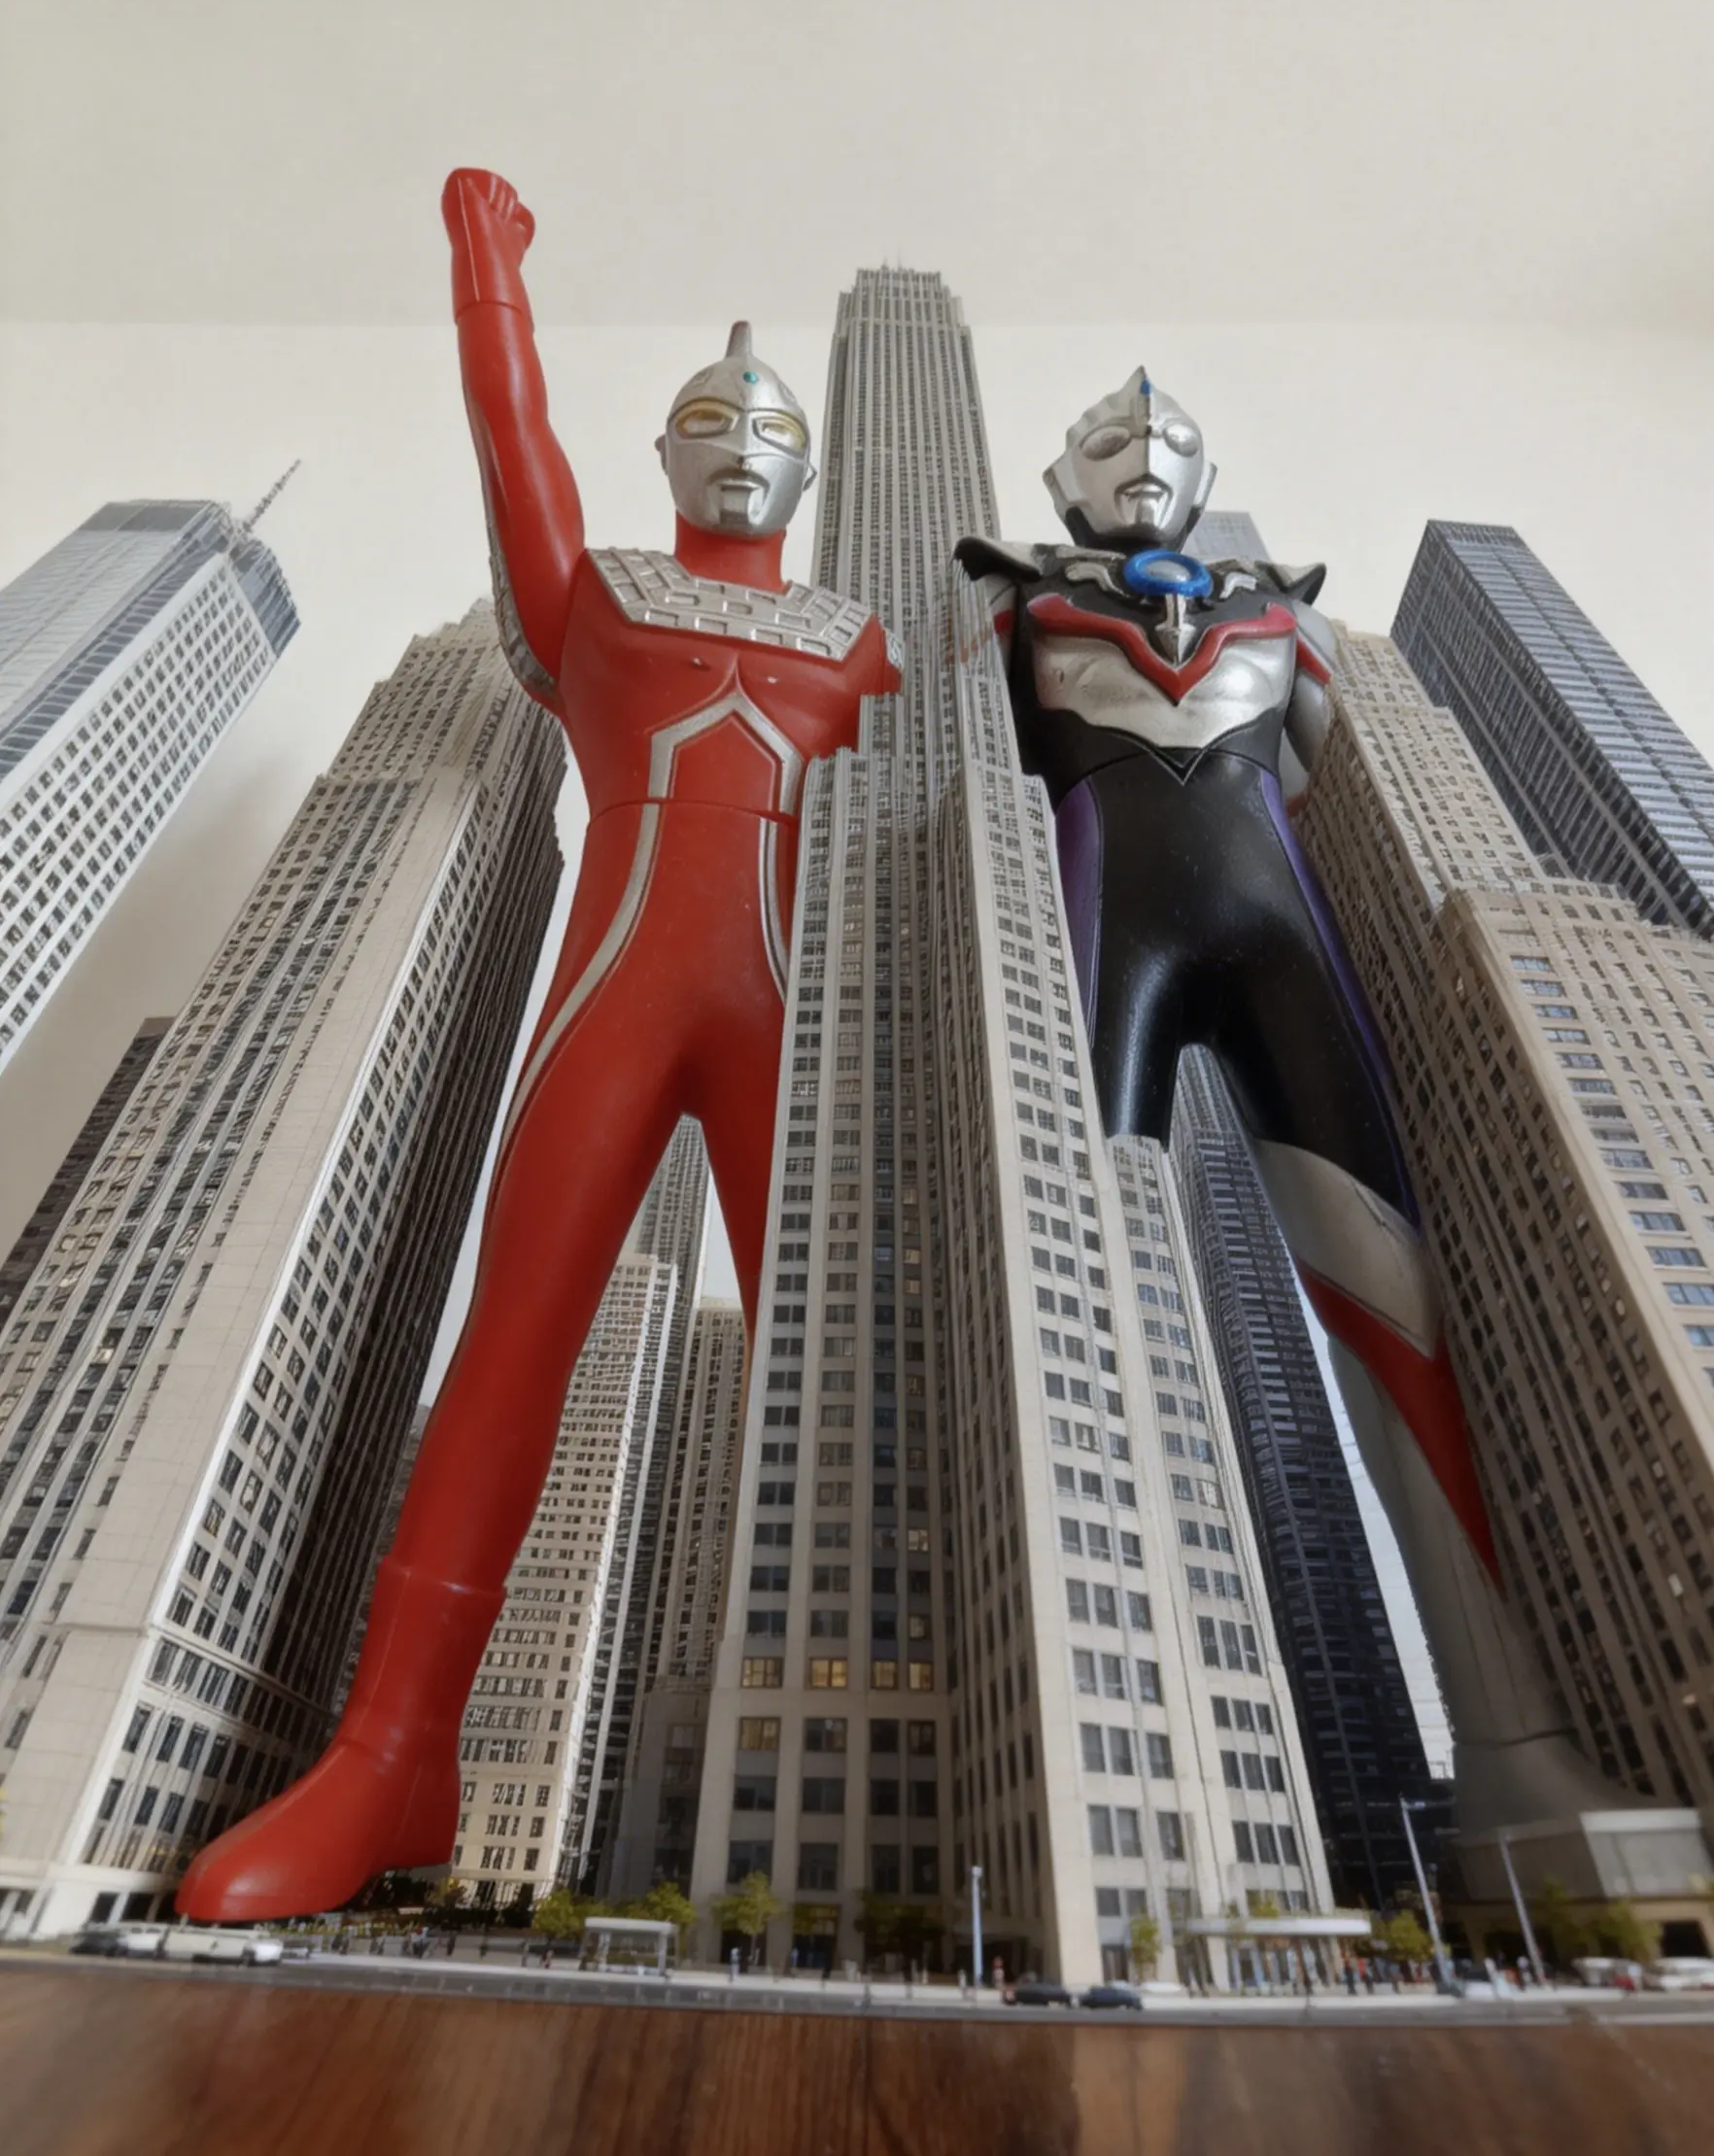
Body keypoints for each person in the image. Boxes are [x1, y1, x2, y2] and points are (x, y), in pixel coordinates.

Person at [180, 169, 898, 1921]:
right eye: (710, 419)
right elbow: (520, 454)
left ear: (812, 468)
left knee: (845, 1377)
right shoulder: (605, 604)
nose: (742, 444)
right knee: (508, 1347)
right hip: (612, 1006)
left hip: (792, 1031)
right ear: (666, 452)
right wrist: (488, 277)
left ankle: (896, 1773)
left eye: (772, 426)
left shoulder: (868, 642)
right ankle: (388, 1754)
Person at [955, 370, 1616, 1833]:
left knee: (1399, 1294)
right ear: (1065, 481)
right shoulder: (1010, 597)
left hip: (1285, 933)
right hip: (1099, 920)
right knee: (1071, 1288)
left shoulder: (1279, 606)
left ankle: (1517, 1744)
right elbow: (954, 762)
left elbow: (1357, 782)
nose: (1145, 451)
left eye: (1173, 442)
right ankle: (1099, 1736)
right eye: (1112, 439)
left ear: (1208, 478)